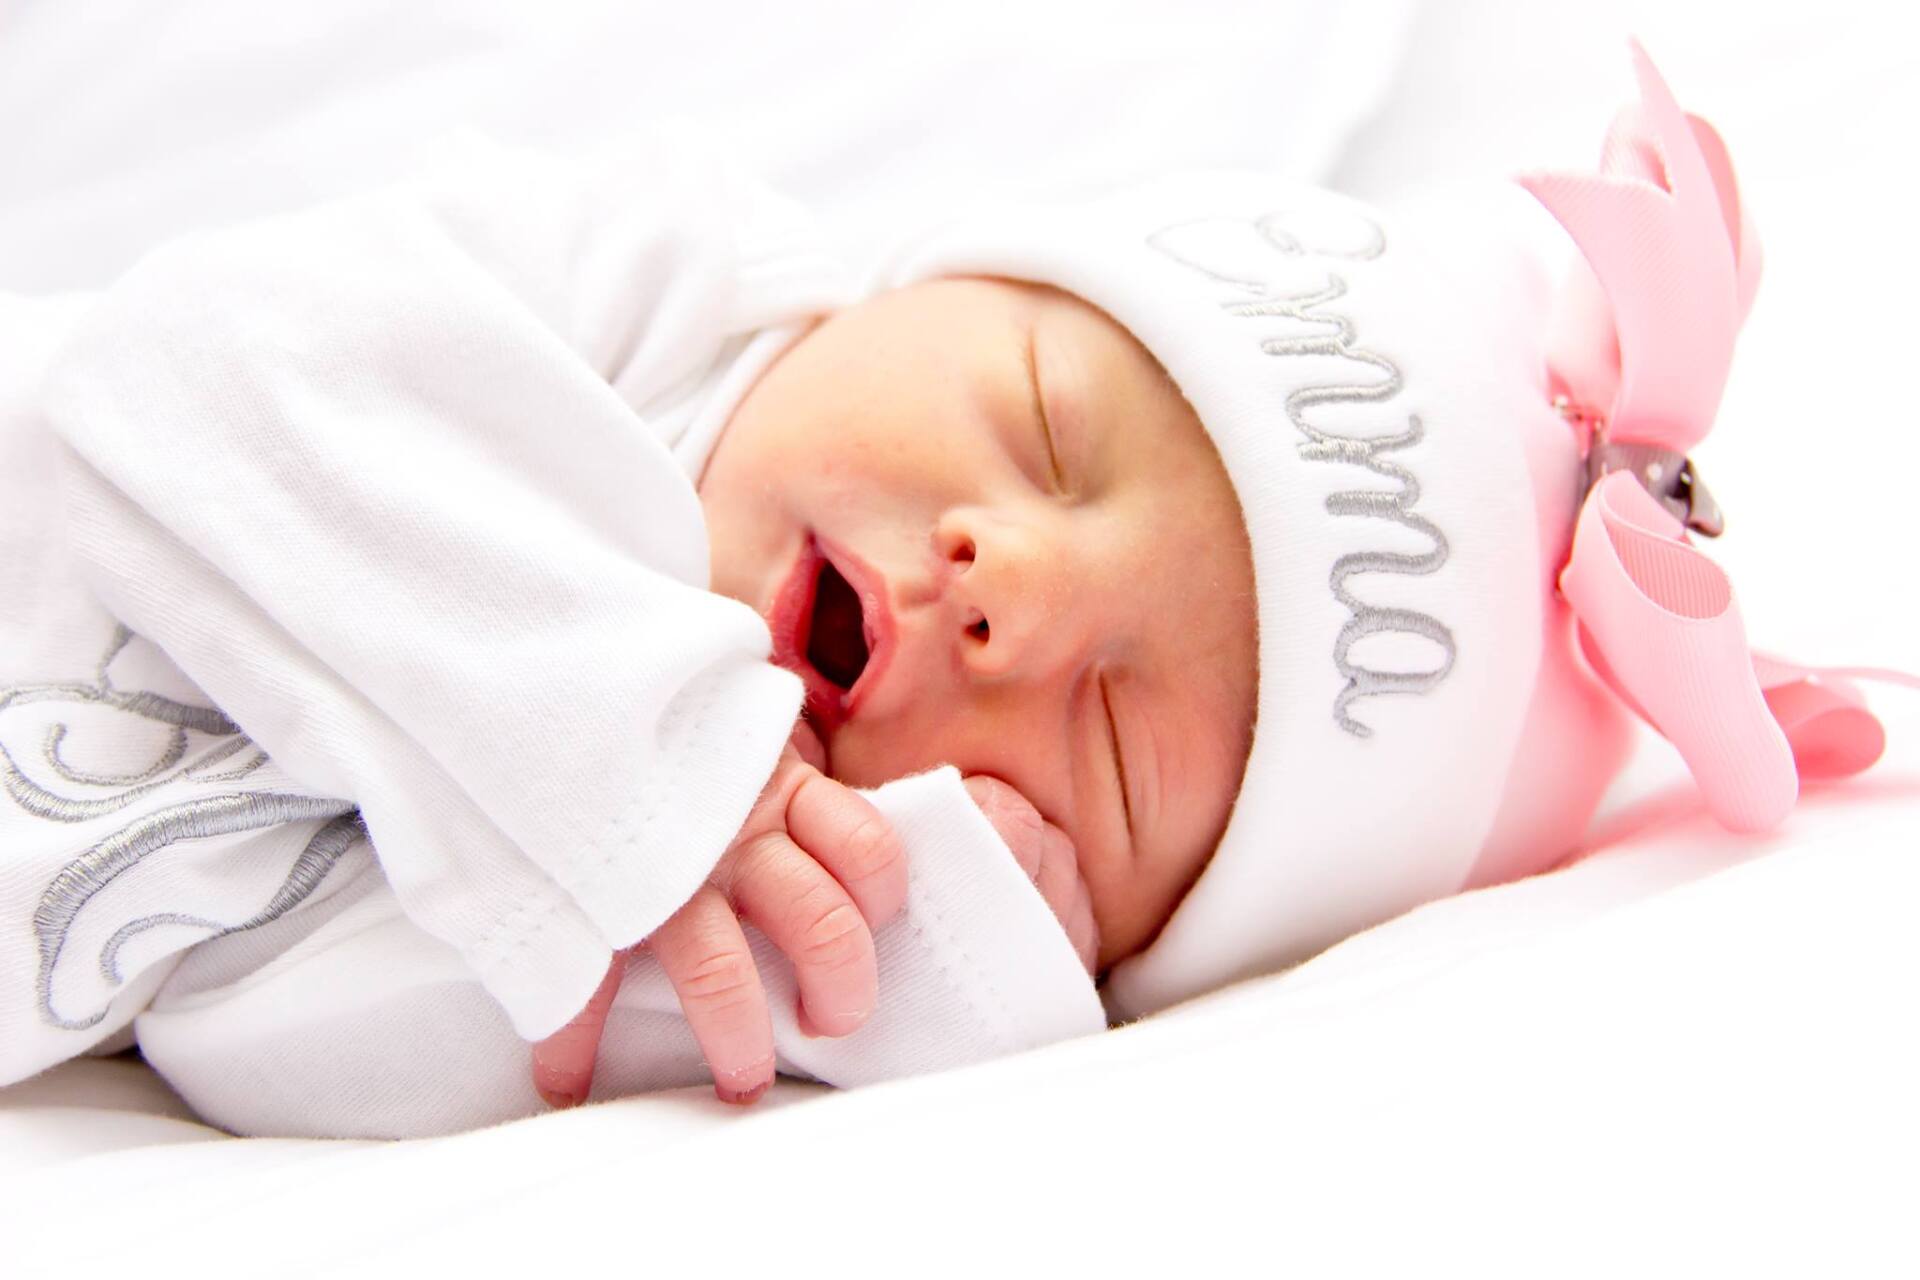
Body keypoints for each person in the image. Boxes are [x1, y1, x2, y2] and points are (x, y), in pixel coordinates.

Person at [0, 43, 1897, 1138]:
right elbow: (190, 370)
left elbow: (258, 1040)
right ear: (906, 291)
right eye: (1048, 421)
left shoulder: (726, 882)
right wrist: (648, 756)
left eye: (1115, 743)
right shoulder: (654, 291)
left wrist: (926, 961)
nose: (1021, 598)